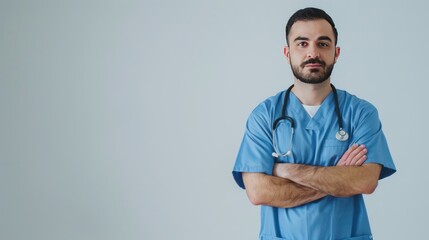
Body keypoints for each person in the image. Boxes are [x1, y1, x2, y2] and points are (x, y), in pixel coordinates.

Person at [232, 7, 396, 240]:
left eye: (323, 43)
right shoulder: (264, 115)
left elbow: (365, 181)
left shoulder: (361, 113)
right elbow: (258, 192)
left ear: (336, 52)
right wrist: (338, 179)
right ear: (287, 52)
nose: (313, 53)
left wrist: (284, 170)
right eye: (302, 43)